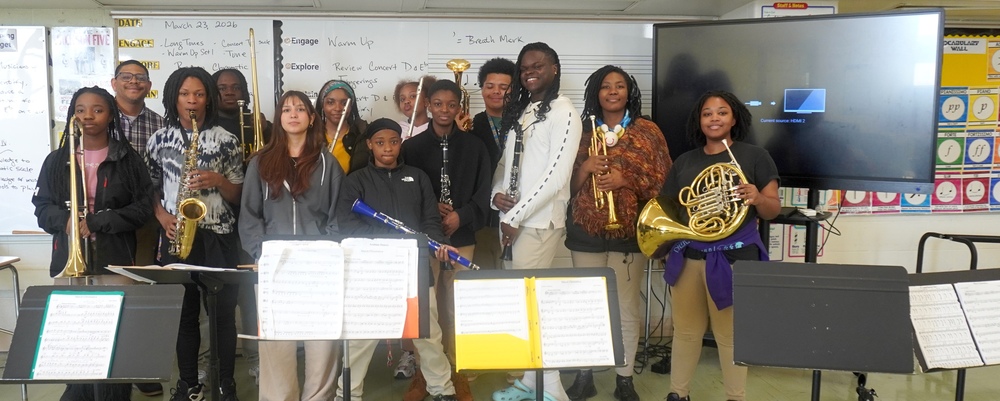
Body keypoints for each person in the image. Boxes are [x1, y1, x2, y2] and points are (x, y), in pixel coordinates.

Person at [32, 86, 153, 401]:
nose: (88, 116)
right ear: (73, 115)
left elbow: (143, 210)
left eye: (97, 110)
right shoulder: (56, 160)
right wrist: (66, 221)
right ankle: (78, 391)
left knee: (114, 338)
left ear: (111, 115)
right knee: (75, 339)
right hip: (69, 261)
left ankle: (114, 394)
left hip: (115, 262)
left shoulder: (127, 159)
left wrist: (100, 221)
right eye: (81, 110)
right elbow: (42, 209)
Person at [335, 118, 468, 401]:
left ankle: (442, 389)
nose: (387, 148)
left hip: (414, 268)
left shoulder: (418, 178)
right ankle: (348, 393)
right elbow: (347, 226)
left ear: (400, 144)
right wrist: (390, 239)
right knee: (361, 338)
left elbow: (430, 221)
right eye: (380, 142)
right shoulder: (355, 181)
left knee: (428, 334)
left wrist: (439, 245)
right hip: (372, 271)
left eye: (393, 142)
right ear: (370, 145)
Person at [661, 90, 780, 401]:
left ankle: (735, 397)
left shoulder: (755, 157)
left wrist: (757, 197)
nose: (714, 118)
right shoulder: (685, 161)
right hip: (690, 255)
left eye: (722, 112)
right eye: (707, 113)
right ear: (699, 121)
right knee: (686, 332)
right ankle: (678, 393)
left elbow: (773, 210)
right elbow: (670, 209)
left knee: (730, 336)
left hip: (735, 258)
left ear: (734, 118)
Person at [563, 66, 672, 401]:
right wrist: (585, 168)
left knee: (626, 307)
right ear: (596, 93)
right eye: (606, 86)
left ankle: (624, 379)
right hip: (586, 230)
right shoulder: (580, 130)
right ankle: (585, 375)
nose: (612, 91)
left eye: (619, 86)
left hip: (630, 231)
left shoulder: (647, 130)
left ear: (629, 92)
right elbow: (564, 187)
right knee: (588, 305)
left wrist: (627, 180)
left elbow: (664, 181)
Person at [147, 66, 245, 401]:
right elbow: (149, 188)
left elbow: (238, 195)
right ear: (173, 98)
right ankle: (188, 383)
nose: (192, 100)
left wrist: (218, 181)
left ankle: (225, 383)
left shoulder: (226, 140)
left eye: (199, 94)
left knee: (223, 317)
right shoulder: (159, 140)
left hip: (219, 236)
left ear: (208, 99)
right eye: (185, 94)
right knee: (184, 316)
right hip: (176, 235)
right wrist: (162, 216)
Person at [491, 42, 582, 401]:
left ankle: (552, 388)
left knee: (533, 308)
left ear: (554, 69)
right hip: (514, 222)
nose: (530, 72)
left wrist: (514, 216)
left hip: (538, 224)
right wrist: (496, 196)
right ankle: (532, 382)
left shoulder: (564, 112)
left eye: (538, 66)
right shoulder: (524, 110)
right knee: (523, 307)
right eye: (525, 67)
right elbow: (506, 163)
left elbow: (556, 177)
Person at [239, 90, 343, 401]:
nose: (293, 114)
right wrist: (262, 254)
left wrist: (328, 253)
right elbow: (250, 216)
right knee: (277, 345)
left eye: (300, 109)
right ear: (279, 118)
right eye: (286, 109)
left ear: (311, 118)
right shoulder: (260, 163)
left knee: (322, 344)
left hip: (319, 267)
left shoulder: (328, 163)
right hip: (275, 266)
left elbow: (338, 217)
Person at [400, 79, 492, 393]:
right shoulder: (411, 147)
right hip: (425, 238)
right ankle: (425, 373)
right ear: (428, 105)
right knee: (426, 307)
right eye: (437, 104)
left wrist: (460, 215)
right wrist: (430, 210)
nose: (444, 110)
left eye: (451, 105)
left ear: (459, 108)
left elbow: (483, 191)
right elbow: (405, 192)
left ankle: (458, 369)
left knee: (457, 305)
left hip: (461, 233)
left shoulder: (475, 147)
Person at [110, 60, 167, 397]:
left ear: (148, 85)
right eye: (126, 77)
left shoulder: (159, 124)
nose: (134, 82)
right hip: (107, 222)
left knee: (144, 293)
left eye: (141, 78)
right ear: (114, 82)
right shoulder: (99, 115)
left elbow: (160, 178)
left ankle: (140, 367)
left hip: (146, 220)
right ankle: (107, 367)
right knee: (109, 294)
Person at [466, 57, 516, 272]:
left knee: (518, 279)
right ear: (482, 89)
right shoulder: (471, 126)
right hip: (483, 219)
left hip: (519, 215)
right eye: (490, 86)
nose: (496, 92)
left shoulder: (525, 123)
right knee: (485, 279)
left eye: (503, 87)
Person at [212, 68, 273, 156]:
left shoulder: (257, 123)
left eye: (236, 88)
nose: (229, 92)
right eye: (222, 88)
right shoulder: (203, 125)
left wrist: (265, 130)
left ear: (243, 91)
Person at [315, 79, 369, 174]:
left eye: (344, 103)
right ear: (322, 105)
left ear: (351, 106)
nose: (338, 108)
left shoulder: (363, 136)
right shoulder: (311, 136)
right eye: (330, 102)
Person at [395, 76, 436, 141]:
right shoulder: (397, 129)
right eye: (402, 99)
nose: (406, 101)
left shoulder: (436, 127)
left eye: (412, 96)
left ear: (426, 102)